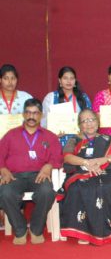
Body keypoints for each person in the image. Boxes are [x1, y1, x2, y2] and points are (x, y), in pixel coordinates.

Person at [0, 98, 62, 244]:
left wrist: (49, 166)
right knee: (5, 192)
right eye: (28, 112)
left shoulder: (50, 136)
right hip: (14, 176)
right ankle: (20, 230)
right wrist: (3, 169)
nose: (31, 116)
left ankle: (36, 229)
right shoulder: (11, 135)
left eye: (35, 113)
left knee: (47, 192)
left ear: (41, 115)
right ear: (23, 114)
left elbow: (58, 157)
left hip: (39, 176)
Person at [58, 109, 111, 245]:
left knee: (105, 187)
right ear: (80, 125)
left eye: (92, 119)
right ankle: (84, 232)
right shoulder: (73, 140)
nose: (89, 123)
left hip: (105, 173)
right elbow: (67, 157)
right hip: (80, 173)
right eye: (84, 121)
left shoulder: (108, 139)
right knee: (78, 188)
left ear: (98, 121)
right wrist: (86, 163)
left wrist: (101, 160)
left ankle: (102, 230)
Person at [42, 66, 92, 147]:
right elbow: (44, 122)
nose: (69, 81)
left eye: (72, 78)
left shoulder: (83, 97)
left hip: (80, 140)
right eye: (65, 78)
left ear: (75, 81)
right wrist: (53, 133)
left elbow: (90, 119)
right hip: (57, 140)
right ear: (60, 80)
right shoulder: (51, 97)